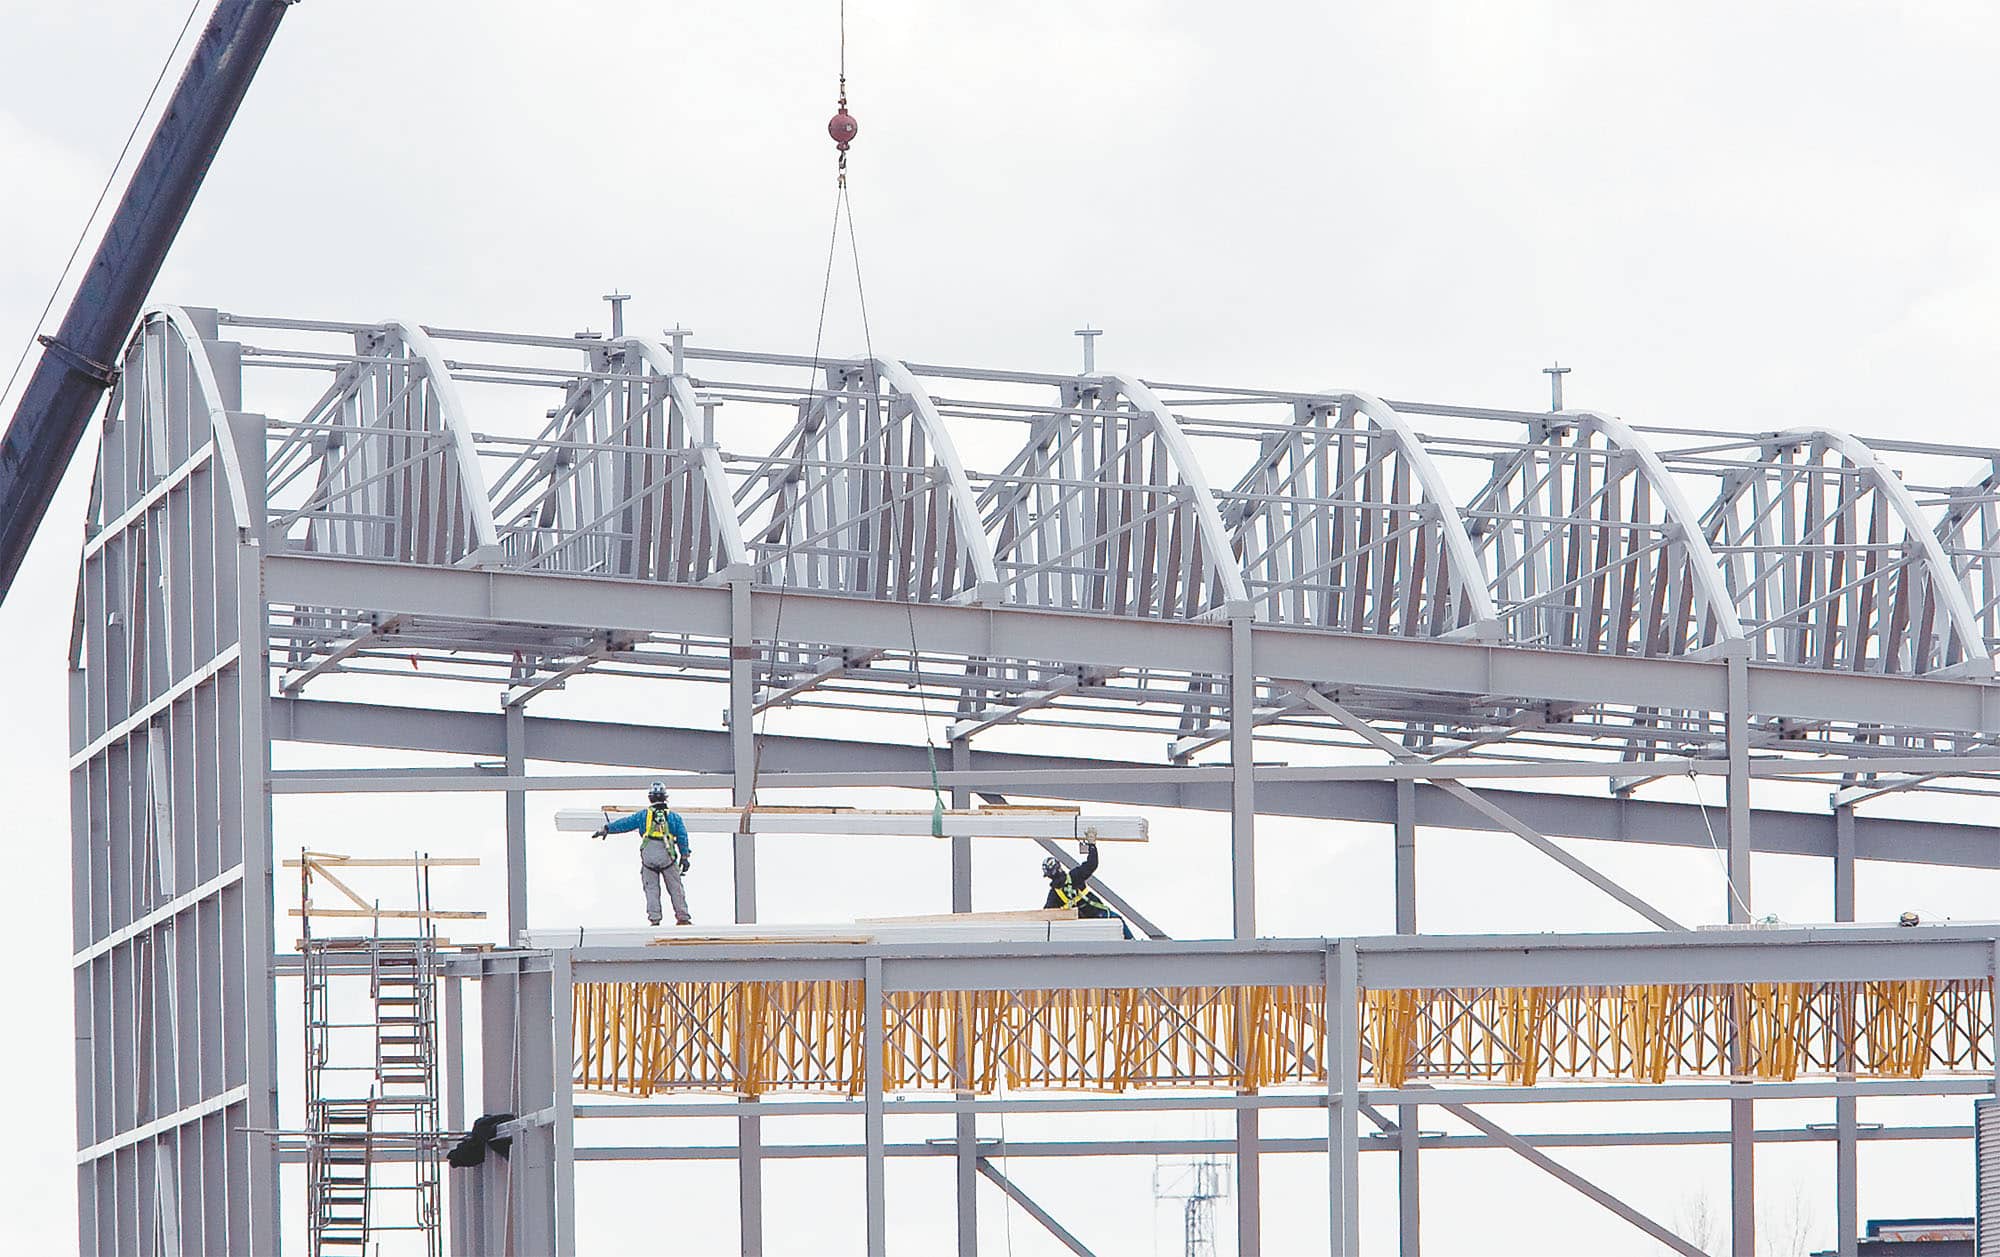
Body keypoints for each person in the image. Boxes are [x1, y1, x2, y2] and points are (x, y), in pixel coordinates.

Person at [594, 782, 692, 926]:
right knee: (676, 888)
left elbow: (625, 823)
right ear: (665, 798)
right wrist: (685, 857)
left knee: (651, 889)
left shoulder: (643, 816)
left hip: (649, 858)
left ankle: (655, 919)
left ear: (650, 798)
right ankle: (683, 918)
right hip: (667, 858)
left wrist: (607, 829)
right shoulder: (674, 817)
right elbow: (682, 837)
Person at [1041, 841, 1131, 938]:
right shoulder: (1075, 876)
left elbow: (1046, 914)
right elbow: (1092, 864)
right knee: (1119, 922)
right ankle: (1132, 943)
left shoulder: (1054, 894)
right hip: (1097, 913)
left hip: (1083, 925)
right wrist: (1092, 846)